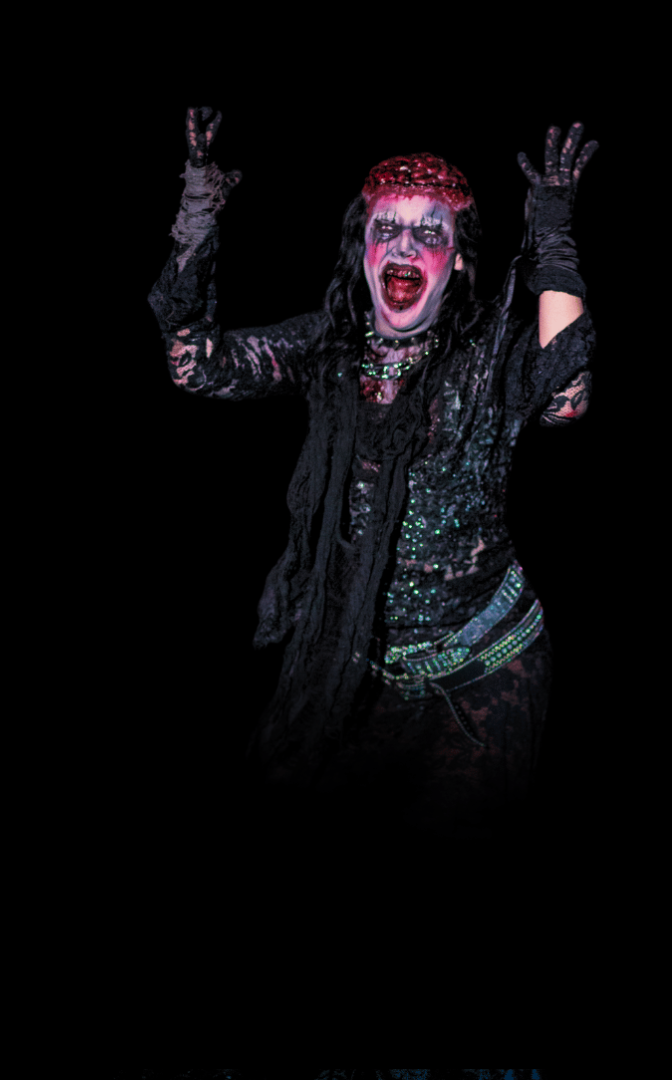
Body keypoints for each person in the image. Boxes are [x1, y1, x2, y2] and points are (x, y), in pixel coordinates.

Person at [147, 106, 598, 847]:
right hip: (364, 670)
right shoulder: (328, 347)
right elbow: (196, 366)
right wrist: (196, 219)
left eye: (429, 234)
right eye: (387, 228)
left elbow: (566, 396)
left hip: (484, 674)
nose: (405, 245)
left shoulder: (486, 356)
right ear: (362, 247)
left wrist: (554, 245)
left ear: (458, 262)